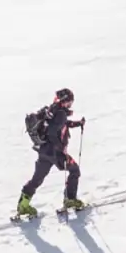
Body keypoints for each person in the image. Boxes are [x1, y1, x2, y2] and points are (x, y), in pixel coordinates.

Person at [16, 87, 86, 218]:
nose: (71, 103)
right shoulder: (61, 113)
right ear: (66, 101)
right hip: (55, 152)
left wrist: (77, 124)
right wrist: (61, 148)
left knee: (37, 179)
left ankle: (23, 205)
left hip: (44, 151)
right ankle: (70, 199)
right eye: (70, 101)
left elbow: (61, 124)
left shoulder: (53, 109)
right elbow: (54, 131)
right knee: (74, 170)